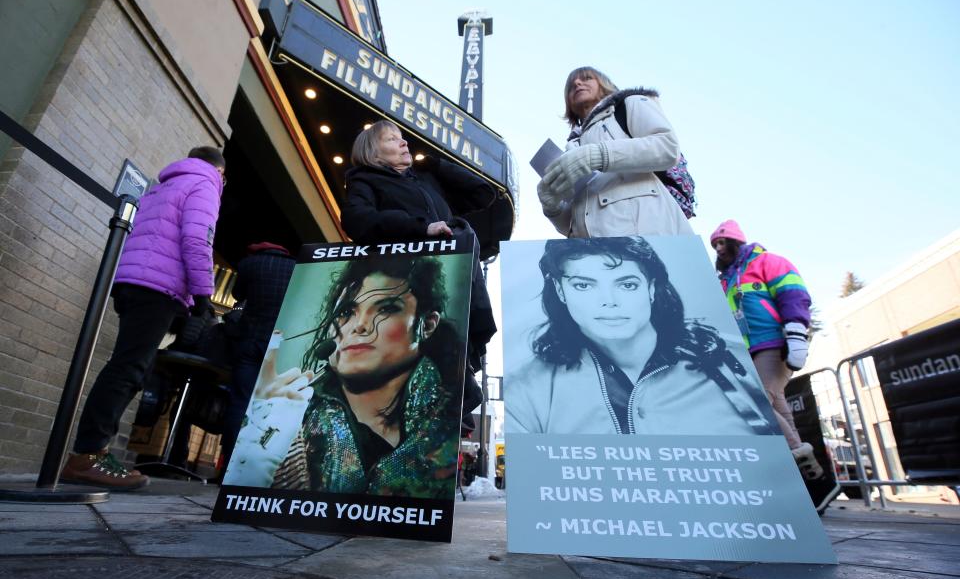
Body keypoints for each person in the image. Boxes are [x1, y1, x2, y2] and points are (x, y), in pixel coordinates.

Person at [223, 256, 464, 498]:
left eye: (387, 308)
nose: (359, 326)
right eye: (347, 311)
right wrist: (257, 443)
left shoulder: (445, 427)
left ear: (428, 325)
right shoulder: (284, 419)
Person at [60, 146, 226, 489]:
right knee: (128, 369)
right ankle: (87, 456)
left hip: (132, 284)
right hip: (157, 289)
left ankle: (94, 452)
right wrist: (203, 295)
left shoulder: (160, 187)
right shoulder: (205, 185)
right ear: (220, 171)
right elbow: (197, 240)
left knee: (131, 368)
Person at [506, 237, 776, 435]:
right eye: (584, 285)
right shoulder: (525, 390)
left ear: (651, 288)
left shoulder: (728, 358)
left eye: (626, 284)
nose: (608, 301)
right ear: (561, 290)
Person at [340, 120, 497, 427]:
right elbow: (358, 221)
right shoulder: (364, 181)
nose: (404, 143)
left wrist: (437, 164)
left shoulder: (426, 180)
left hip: (451, 274)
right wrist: (419, 228)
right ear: (372, 150)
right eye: (392, 139)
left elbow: (482, 194)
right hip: (407, 281)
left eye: (404, 139)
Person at [710, 219, 824, 479]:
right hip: (744, 352)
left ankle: (790, 461)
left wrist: (796, 334)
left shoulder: (768, 262)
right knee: (779, 410)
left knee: (757, 400)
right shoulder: (723, 281)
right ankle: (811, 478)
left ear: (736, 241)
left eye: (722, 242)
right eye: (715, 244)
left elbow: (793, 294)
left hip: (773, 344)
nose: (718, 248)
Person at [537, 66, 692, 238]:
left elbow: (667, 147)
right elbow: (571, 225)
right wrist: (553, 209)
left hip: (650, 239)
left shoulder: (629, 104)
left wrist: (596, 156)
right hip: (598, 254)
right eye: (571, 86)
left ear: (604, 84)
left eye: (587, 78)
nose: (577, 83)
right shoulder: (571, 148)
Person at [218, 242, 296, 468]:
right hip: (279, 345)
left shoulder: (248, 264)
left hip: (250, 341)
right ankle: (262, 467)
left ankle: (228, 466)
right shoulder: (295, 267)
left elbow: (237, 294)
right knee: (275, 405)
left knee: (240, 402)